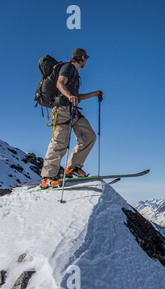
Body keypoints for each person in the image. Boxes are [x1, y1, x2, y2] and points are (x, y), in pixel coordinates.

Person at [40, 48, 103, 188]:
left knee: (89, 136)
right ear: (82, 57)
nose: (86, 60)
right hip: (62, 109)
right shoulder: (68, 67)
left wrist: (93, 94)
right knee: (59, 142)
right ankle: (47, 177)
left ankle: (72, 167)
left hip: (73, 110)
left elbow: (76, 98)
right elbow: (60, 83)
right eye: (86, 58)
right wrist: (69, 96)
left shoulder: (75, 74)